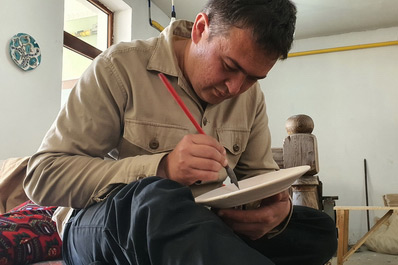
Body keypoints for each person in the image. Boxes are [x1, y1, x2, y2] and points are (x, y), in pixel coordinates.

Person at [24, 0, 337, 264]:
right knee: (157, 201)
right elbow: (42, 177)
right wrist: (162, 168)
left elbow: (259, 178)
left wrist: (276, 212)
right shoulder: (118, 68)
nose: (235, 88)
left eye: (254, 78)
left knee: (318, 229)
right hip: (103, 226)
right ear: (201, 28)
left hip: (199, 223)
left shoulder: (249, 98)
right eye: (229, 65)